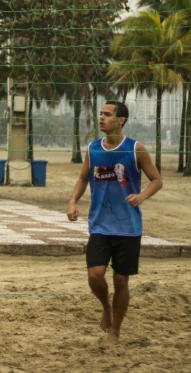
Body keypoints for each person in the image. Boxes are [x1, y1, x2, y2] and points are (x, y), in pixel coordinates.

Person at [66, 101, 163, 348]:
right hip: (99, 225)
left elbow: (157, 180)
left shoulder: (135, 149)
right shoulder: (92, 149)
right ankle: (106, 305)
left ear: (121, 120)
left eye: (107, 115)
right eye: (100, 114)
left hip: (129, 228)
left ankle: (115, 333)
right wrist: (72, 201)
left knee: (121, 281)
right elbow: (82, 178)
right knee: (94, 276)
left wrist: (142, 196)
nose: (101, 118)